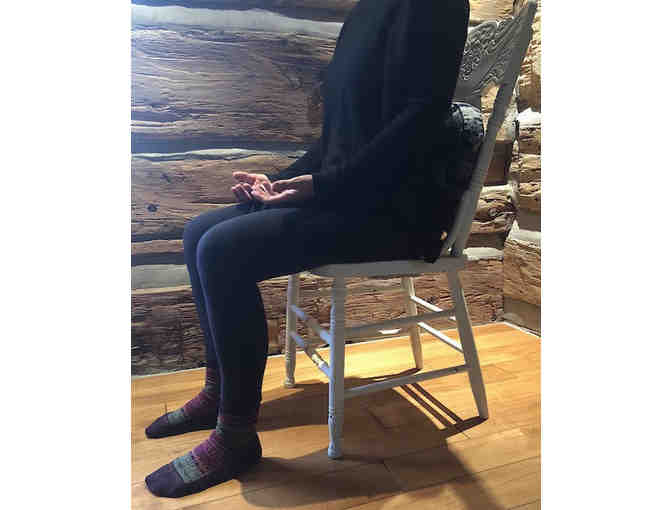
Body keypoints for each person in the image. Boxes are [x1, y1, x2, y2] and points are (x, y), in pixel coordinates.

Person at [144, 0, 470, 498]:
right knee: (197, 234)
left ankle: (235, 434)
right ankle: (218, 393)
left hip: (395, 212)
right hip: (352, 196)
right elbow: (339, 140)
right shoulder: (366, 13)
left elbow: (417, 128)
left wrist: (320, 186)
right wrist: (279, 182)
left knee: (222, 251)